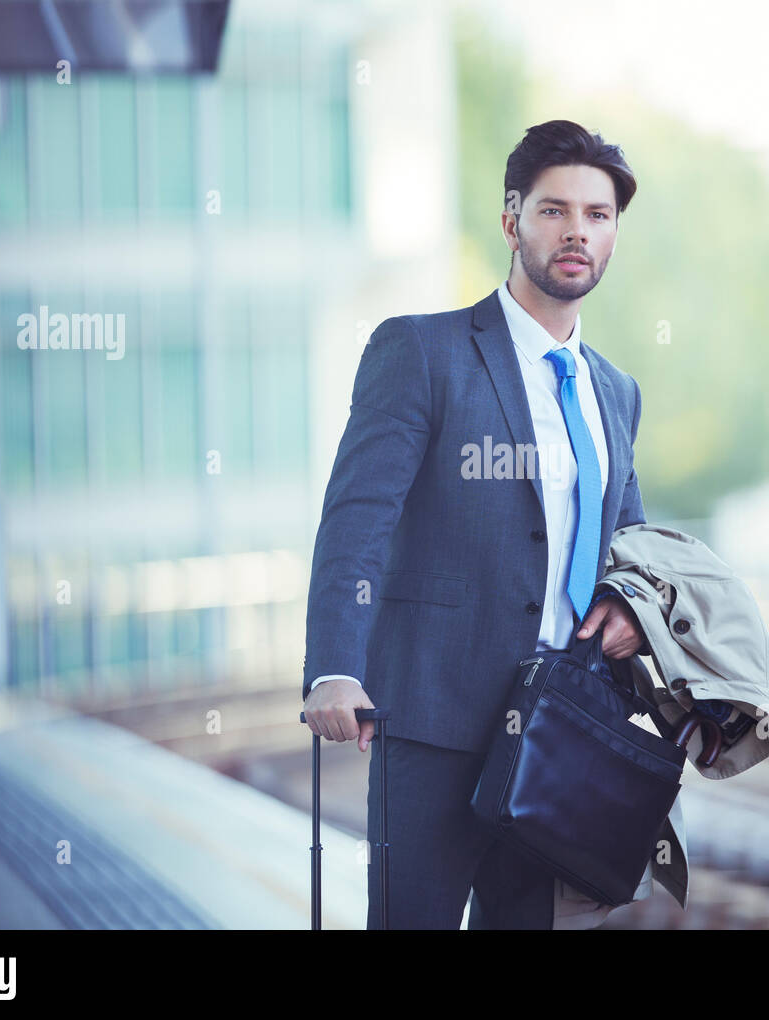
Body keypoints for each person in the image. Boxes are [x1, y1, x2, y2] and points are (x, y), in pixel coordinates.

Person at [300, 121, 650, 928]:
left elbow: (628, 541)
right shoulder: (423, 352)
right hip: (432, 720)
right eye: (555, 211)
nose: (577, 232)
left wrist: (631, 606)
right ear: (511, 221)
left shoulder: (615, 391)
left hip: (563, 732)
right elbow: (359, 516)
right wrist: (333, 668)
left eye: (598, 217)